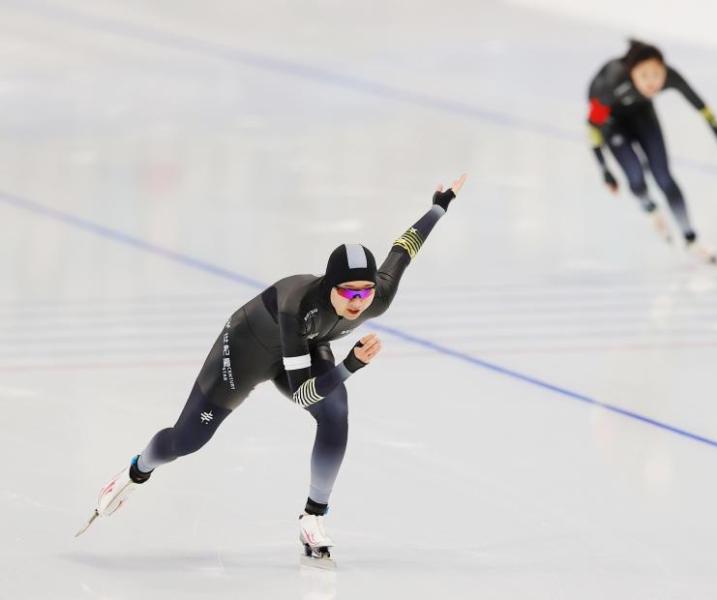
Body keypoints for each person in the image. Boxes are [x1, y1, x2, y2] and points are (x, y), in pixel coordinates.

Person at [78, 174, 468, 563]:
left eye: (365, 291)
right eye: (348, 292)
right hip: (247, 349)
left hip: (307, 345)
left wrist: (439, 206)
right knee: (187, 440)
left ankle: (313, 517)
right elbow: (302, 394)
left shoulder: (377, 296)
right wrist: (350, 364)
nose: (358, 301)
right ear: (329, 287)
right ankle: (137, 470)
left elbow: (404, 248)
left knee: (336, 412)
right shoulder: (297, 306)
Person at [587, 39, 717, 264]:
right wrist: (603, 168)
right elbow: (592, 125)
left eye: (657, 75)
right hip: (612, 123)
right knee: (636, 178)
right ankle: (650, 208)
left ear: (664, 70)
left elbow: (704, 110)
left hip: (642, 114)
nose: (652, 82)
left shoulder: (672, 77)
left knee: (664, 177)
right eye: (644, 76)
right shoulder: (612, 81)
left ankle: (691, 239)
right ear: (631, 73)